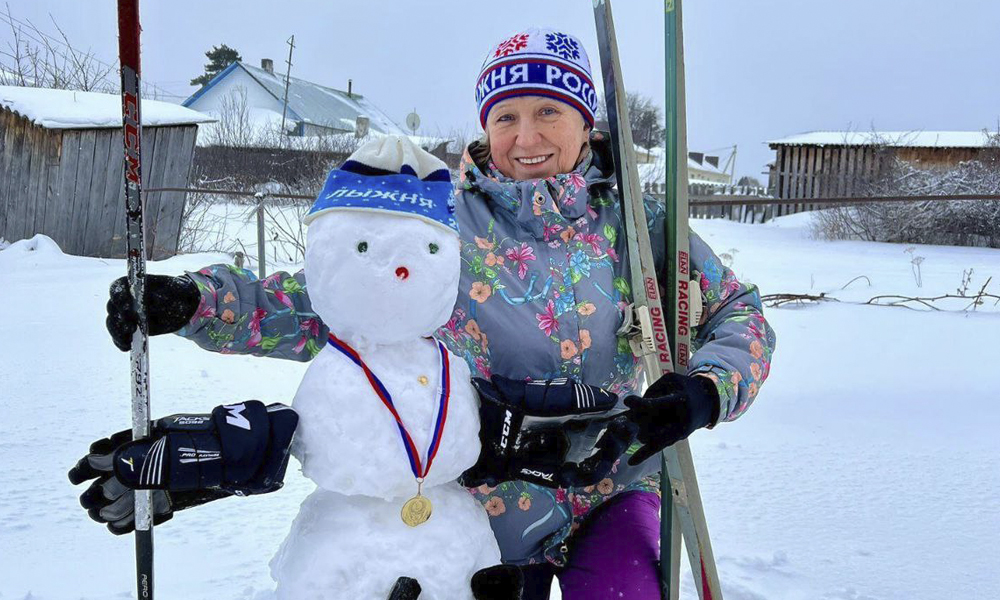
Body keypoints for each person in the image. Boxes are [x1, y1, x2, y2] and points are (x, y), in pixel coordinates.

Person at [86, 28, 776, 599]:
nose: (525, 135)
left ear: (584, 121)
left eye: (548, 112)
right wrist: (198, 303)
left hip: (617, 482)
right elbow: (334, 301)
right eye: (506, 115)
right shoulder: (444, 227)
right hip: (486, 496)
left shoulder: (637, 224)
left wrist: (702, 392)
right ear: (484, 124)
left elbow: (738, 315)